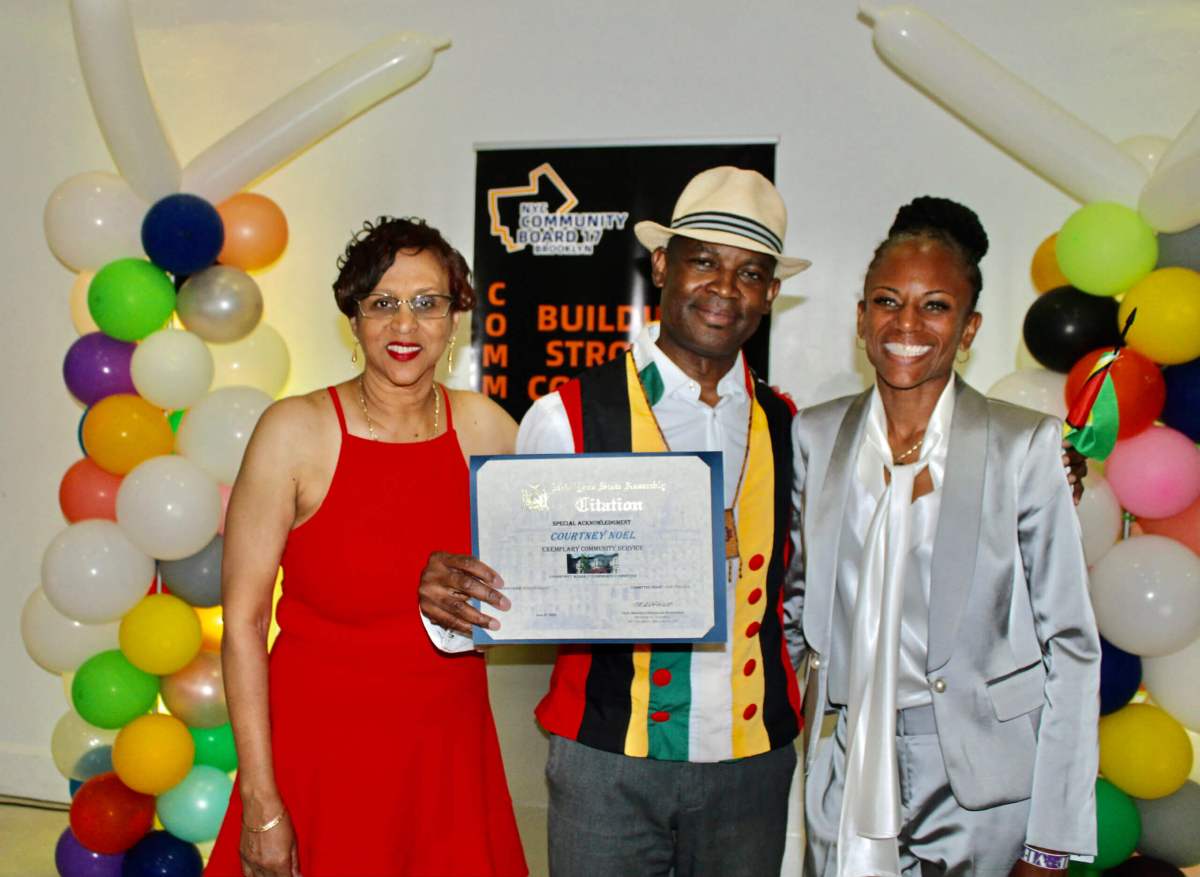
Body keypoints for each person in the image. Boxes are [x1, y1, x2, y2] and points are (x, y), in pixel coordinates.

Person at [419, 167, 810, 877]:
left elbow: (803, 589)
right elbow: (520, 586)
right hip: (608, 762)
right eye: (703, 261)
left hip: (752, 764)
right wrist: (452, 602)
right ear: (662, 265)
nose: (725, 288)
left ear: (770, 293)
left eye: (750, 273)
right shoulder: (564, 414)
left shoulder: (789, 424)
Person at [205, 217, 528, 877]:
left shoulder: (490, 430)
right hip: (321, 759)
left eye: (426, 302)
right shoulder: (294, 432)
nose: (404, 325)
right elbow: (241, 623)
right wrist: (261, 799)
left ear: (454, 315)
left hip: (446, 759)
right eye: (382, 303)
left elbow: (556, 563)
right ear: (353, 318)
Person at [787, 197, 1100, 877]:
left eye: (934, 306)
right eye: (887, 301)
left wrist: (1049, 840)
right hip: (845, 767)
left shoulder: (1025, 447)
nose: (906, 323)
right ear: (862, 313)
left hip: (982, 785)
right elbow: (795, 604)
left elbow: (1070, 647)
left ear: (968, 326)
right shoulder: (814, 436)